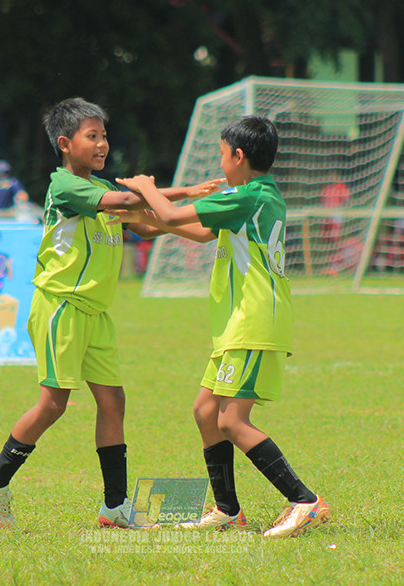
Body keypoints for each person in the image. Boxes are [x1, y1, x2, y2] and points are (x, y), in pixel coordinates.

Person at [0, 97, 223, 530]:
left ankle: (115, 507)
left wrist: (196, 214)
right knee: (53, 404)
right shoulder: (65, 186)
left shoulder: (103, 188)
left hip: (95, 314)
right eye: (93, 136)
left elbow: (143, 219)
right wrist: (170, 193)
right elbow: (128, 202)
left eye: (104, 135)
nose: (102, 143)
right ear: (65, 144)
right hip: (61, 307)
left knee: (113, 401)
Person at [115, 115, 329, 539]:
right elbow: (192, 231)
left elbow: (174, 216)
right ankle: (228, 510)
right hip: (239, 322)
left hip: (255, 320)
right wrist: (138, 219)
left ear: (238, 156)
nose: (220, 161)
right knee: (205, 411)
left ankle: (305, 501)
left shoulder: (247, 196)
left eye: (220, 154)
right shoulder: (255, 196)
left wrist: (145, 188)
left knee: (232, 421)